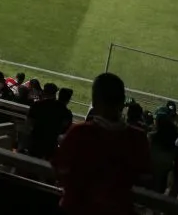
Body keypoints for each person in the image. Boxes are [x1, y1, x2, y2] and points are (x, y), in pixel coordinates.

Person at [52, 72, 152, 215]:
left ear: (94, 101)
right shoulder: (138, 138)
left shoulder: (79, 132)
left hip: (76, 208)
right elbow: (145, 179)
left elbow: (60, 171)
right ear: (123, 102)